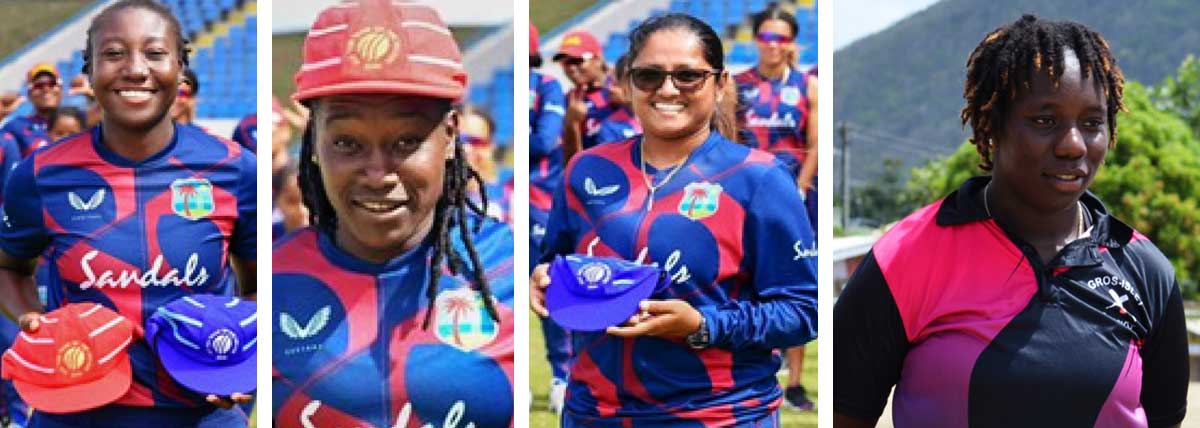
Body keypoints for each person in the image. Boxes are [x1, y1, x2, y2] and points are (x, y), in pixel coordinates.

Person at [833, 15, 1188, 428]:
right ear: (991, 126)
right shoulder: (907, 258)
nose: (1073, 145)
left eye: (1092, 123)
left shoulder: (1147, 272)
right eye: (1044, 121)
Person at [531, 13, 817, 426]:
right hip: (594, 414)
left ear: (719, 85)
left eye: (688, 76)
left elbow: (803, 310)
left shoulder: (760, 179)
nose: (667, 89)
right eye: (649, 75)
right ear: (628, 83)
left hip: (718, 415)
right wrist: (544, 279)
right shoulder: (585, 170)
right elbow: (557, 261)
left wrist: (702, 326)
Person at [0, 1, 257, 426]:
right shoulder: (40, 175)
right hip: (72, 413)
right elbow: (8, 266)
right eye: (114, 53)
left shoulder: (235, 171)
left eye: (155, 53)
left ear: (179, 65)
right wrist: (39, 320)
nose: (135, 69)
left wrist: (242, 353)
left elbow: (259, 288)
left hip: (201, 416)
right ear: (89, 70)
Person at [271, 2, 514, 427]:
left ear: (450, 137)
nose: (378, 173)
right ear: (313, 144)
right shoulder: (273, 281)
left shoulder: (512, 266)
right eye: (347, 143)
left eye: (406, 141)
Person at [555, 30, 637, 161]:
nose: (571, 68)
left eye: (577, 60)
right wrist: (572, 125)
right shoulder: (568, 103)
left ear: (597, 59)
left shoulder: (625, 81)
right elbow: (570, 165)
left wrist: (631, 102)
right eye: (565, 63)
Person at [1, 64, 63, 157]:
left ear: (61, 89)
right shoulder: (17, 126)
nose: (46, 89)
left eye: (52, 83)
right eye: (38, 85)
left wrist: (90, 96)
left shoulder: (79, 119)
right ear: (29, 94)